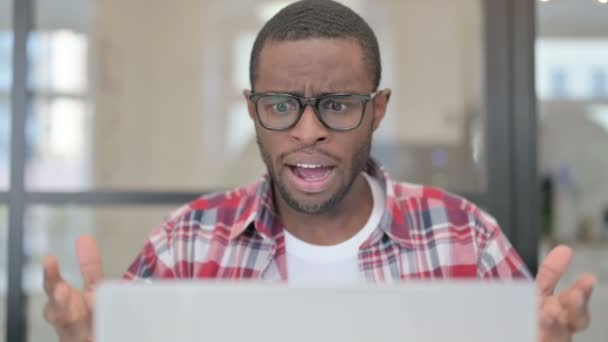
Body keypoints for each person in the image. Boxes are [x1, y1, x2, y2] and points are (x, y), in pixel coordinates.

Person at [42, 1, 595, 341]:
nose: (308, 132)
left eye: (338, 104)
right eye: (281, 105)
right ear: (252, 107)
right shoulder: (185, 242)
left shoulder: (465, 238)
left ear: (377, 110)